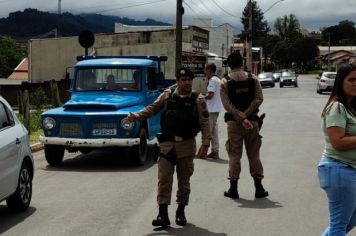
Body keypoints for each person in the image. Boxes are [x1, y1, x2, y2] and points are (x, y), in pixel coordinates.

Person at [127, 68, 211, 227]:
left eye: (189, 79)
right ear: (178, 81)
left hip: (186, 145)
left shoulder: (198, 99)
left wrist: (206, 144)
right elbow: (152, 108)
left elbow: (205, 123)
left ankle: (181, 211)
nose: (186, 82)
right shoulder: (167, 96)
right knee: (164, 180)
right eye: (183, 79)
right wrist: (136, 116)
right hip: (167, 145)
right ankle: (162, 214)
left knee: (184, 182)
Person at [220, 52, 268, 199]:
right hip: (252, 122)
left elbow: (227, 105)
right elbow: (259, 99)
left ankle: (233, 189)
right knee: (254, 154)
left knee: (234, 155)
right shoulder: (253, 78)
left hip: (234, 123)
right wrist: (247, 115)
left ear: (229, 65)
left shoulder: (225, 82)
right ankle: (259, 188)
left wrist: (240, 117)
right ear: (242, 63)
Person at [318, 64, 356, 235]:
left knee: (344, 223)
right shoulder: (337, 107)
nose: (355, 83)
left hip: (348, 170)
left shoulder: (350, 107)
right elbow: (338, 142)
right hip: (339, 170)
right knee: (339, 226)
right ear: (340, 82)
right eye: (351, 80)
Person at [197, 63, 222, 159]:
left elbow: (210, 95)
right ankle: (215, 151)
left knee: (208, 132)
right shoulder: (218, 80)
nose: (204, 72)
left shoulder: (212, 80)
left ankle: (203, 152)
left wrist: (201, 97)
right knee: (214, 131)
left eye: (205, 70)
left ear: (210, 70)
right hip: (216, 109)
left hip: (211, 110)